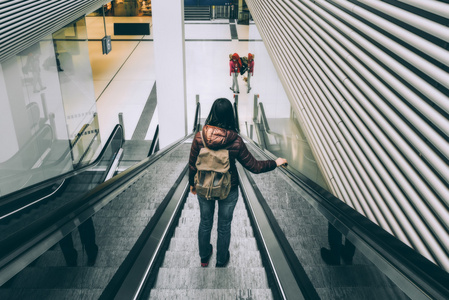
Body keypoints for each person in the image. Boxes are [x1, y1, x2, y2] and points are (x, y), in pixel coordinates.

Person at [189, 98, 288, 268]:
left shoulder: (199, 137)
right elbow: (254, 166)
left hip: (204, 186)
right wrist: (275, 162)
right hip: (228, 189)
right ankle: (221, 260)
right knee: (224, 226)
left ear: (212, 112)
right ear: (230, 116)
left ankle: (204, 257)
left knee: (205, 222)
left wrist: (193, 184)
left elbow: (192, 164)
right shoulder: (235, 141)